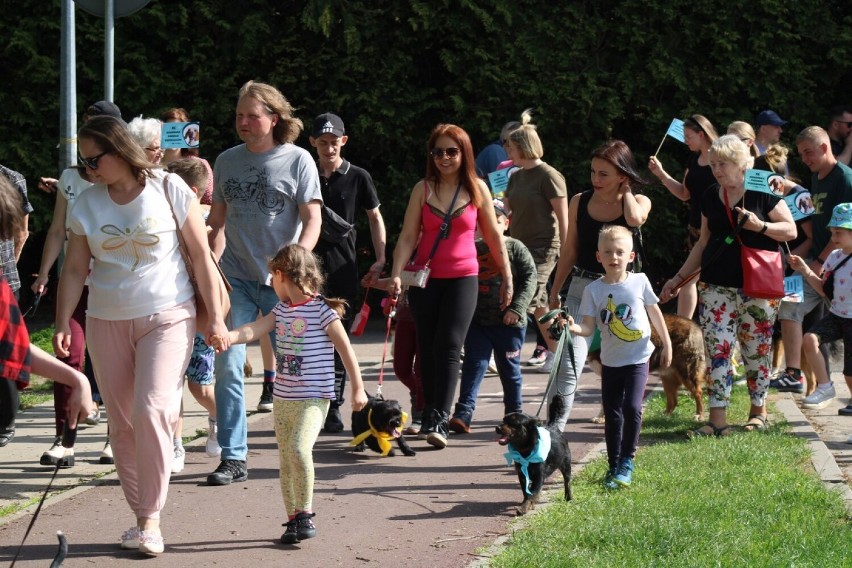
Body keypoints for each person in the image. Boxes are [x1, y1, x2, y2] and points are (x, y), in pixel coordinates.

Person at [54, 115, 230, 555]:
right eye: (83, 161)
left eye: (94, 160)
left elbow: (200, 255)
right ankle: (140, 516)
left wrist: (216, 319)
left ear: (119, 151)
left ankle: (151, 518)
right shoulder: (87, 203)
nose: (88, 169)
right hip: (105, 319)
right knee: (124, 422)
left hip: (168, 314)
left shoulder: (169, 188)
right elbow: (75, 268)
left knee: (151, 406)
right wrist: (61, 323)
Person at [208, 244, 367, 545]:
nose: (271, 285)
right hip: (283, 400)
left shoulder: (323, 311)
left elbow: (346, 350)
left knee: (298, 449)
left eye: (272, 278)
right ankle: (293, 518)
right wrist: (228, 337)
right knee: (286, 459)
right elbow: (254, 329)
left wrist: (358, 389)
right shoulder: (281, 310)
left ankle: (305, 513)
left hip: (313, 399)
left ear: (281, 275)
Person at [206, 80, 322, 485]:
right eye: (239, 115)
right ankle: (233, 457)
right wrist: (206, 264)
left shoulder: (298, 160)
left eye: (252, 115)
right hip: (235, 279)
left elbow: (312, 219)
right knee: (228, 364)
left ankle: (296, 445)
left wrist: (297, 265)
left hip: (284, 285)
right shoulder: (226, 161)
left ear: (274, 119)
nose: (243, 122)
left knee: (293, 371)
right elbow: (216, 223)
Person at [660, 135, 796, 437]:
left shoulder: (763, 189)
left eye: (723, 164)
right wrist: (678, 279)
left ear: (742, 164)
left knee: (756, 350)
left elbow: (790, 230)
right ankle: (716, 419)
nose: (717, 170)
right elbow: (703, 242)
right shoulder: (711, 194)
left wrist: (759, 226)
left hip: (757, 287)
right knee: (718, 350)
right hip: (716, 285)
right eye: (714, 164)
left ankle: (758, 412)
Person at [388, 123, 511, 449]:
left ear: (464, 153)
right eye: (438, 151)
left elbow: (495, 237)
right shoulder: (422, 189)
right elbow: (408, 236)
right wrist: (397, 273)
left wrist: (507, 276)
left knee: (450, 345)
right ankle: (428, 412)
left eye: (451, 151)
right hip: (426, 280)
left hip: (463, 278)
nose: (444, 157)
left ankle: (440, 417)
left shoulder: (477, 189)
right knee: (426, 348)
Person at [32, 101, 126, 466]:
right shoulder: (70, 179)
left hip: (111, 285)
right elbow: (57, 229)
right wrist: (43, 274)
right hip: (74, 283)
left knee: (110, 363)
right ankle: (64, 440)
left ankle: (114, 439)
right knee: (68, 354)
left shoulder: (130, 180)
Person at [549, 140, 652, 431]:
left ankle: (620, 438)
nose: (595, 179)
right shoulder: (579, 201)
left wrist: (628, 190)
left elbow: (634, 219)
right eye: (593, 172)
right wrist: (555, 291)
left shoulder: (639, 201)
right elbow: (570, 250)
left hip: (623, 294)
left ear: (622, 174)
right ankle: (554, 433)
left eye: (604, 174)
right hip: (582, 287)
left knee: (620, 368)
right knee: (567, 366)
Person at [567, 225, 671, 488]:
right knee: (613, 414)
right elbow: (589, 326)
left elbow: (655, 313)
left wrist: (667, 344)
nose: (614, 257)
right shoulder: (593, 290)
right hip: (610, 361)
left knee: (632, 408)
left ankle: (627, 460)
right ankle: (613, 465)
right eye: (608, 252)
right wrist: (573, 326)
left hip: (638, 358)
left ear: (631, 256)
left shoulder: (640, 281)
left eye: (620, 252)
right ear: (598, 257)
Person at [309, 112, 386, 432]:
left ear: (344, 141)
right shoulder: (305, 172)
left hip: (343, 268)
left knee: (337, 339)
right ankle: (313, 404)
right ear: (313, 143)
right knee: (311, 339)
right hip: (308, 269)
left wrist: (381, 259)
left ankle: (334, 407)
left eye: (334, 142)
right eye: (323, 142)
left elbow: (374, 217)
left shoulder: (358, 176)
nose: (329, 148)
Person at [778, 126, 852, 409]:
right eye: (801, 154)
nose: (805, 158)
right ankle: (793, 374)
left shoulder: (844, 179)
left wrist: (821, 262)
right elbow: (812, 230)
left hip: (837, 266)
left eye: (808, 152)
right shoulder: (814, 178)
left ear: (823, 147)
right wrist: (796, 260)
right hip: (814, 263)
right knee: (789, 304)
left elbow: (845, 231)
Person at [449, 198, 536, 432]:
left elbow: (530, 278)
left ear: (506, 223)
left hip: (509, 324)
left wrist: (517, 309)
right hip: (477, 323)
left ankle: (514, 415)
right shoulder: (471, 248)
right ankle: (463, 412)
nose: (489, 227)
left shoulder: (516, 247)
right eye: (482, 222)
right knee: (473, 366)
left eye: (496, 221)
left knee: (510, 369)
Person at [164, 158, 221, 471]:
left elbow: (212, 262)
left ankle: (216, 418)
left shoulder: (207, 217)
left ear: (193, 191)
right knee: (171, 385)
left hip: (198, 312)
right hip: (168, 311)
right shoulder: (160, 212)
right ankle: (176, 445)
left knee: (200, 387)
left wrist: (215, 315)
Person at [502, 109, 568, 374]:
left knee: (529, 299)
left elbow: (564, 218)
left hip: (544, 247)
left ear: (524, 147)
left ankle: (542, 352)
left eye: (511, 148)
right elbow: (506, 212)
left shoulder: (549, 175)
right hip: (518, 247)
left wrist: (567, 250)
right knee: (539, 302)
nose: (508, 153)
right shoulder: (515, 177)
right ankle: (560, 350)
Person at [649, 114, 718, 319]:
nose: (685, 140)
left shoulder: (720, 160)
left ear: (702, 134)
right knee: (688, 280)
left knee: (690, 280)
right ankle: (684, 326)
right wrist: (661, 174)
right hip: (696, 229)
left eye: (689, 136)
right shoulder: (693, 160)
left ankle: (685, 327)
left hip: (717, 231)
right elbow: (684, 194)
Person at [788, 203, 852, 415]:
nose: (833, 237)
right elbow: (823, 290)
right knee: (810, 339)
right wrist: (805, 270)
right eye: (832, 232)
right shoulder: (834, 257)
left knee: (850, 377)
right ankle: (825, 386)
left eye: (839, 232)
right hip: (837, 315)